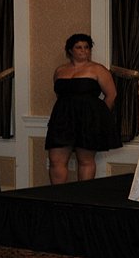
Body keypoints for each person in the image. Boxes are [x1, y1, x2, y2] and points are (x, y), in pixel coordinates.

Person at [45, 33, 120, 184]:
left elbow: (111, 95)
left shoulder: (98, 69)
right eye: (79, 47)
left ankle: (82, 197)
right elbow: (60, 95)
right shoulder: (60, 71)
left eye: (87, 47)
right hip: (62, 118)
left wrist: (97, 116)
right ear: (70, 50)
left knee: (85, 160)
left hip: (87, 119)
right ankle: (58, 197)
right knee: (55, 160)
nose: (83, 51)